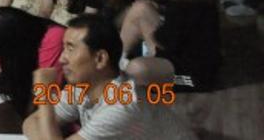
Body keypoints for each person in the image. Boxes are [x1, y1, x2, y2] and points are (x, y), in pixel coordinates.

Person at [22, 14, 196, 139]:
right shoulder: (82, 88)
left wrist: (45, 97)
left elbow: (42, 121)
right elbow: (31, 122)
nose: (62, 58)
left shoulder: (122, 105)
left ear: (100, 59)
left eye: (71, 48)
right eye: (64, 48)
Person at [119, 0, 220, 91]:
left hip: (192, 77)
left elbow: (166, 41)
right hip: (181, 57)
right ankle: (116, 61)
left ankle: (117, 67)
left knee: (136, 68)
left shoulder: (183, 1)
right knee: (140, 8)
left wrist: (148, 30)